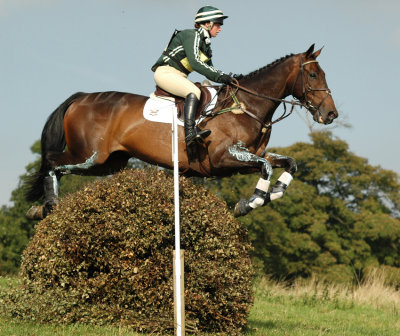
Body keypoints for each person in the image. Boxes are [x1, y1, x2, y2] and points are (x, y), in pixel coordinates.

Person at [151, 6, 233, 146]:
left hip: (179, 76)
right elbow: (195, 63)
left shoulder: (205, 45)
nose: (220, 28)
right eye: (218, 24)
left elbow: (210, 69)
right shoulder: (192, 35)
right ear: (208, 24)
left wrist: (228, 79)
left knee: (208, 87)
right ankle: (190, 133)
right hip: (166, 72)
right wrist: (221, 76)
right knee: (194, 91)